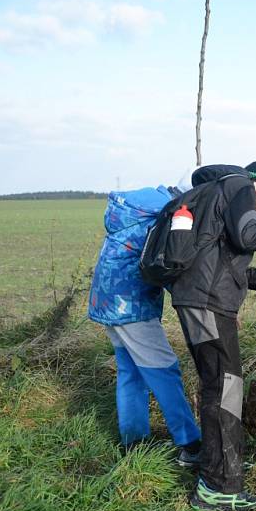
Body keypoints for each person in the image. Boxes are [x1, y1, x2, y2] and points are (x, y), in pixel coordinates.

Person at [169, 161, 256, 511]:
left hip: (198, 301)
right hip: (208, 306)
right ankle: (219, 486)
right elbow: (248, 236)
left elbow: (231, 268)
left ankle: (216, 465)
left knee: (217, 386)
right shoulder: (240, 187)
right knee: (226, 390)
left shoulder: (219, 196)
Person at [88, 185, 201, 465]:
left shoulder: (135, 209)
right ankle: (191, 444)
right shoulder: (169, 214)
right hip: (131, 304)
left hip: (107, 299)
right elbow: (168, 262)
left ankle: (134, 443)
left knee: (131, 371)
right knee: (164, 369)